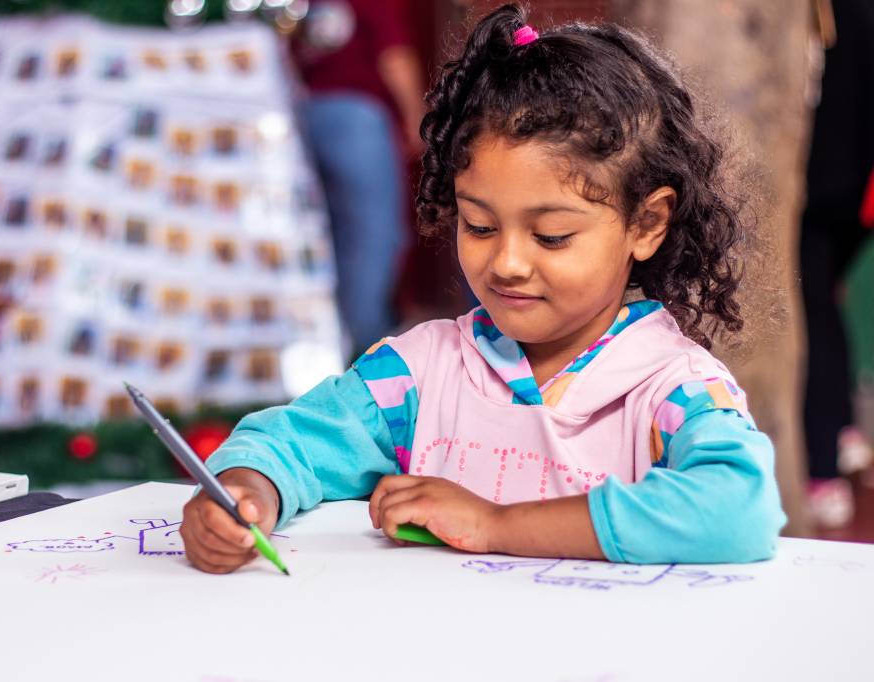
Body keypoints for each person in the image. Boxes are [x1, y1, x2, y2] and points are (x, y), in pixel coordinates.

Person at [180, 4, 786, 573]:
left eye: (550, 236)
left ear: (646, 224)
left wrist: (495, 525)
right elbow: (289, 441)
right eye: (480, 226)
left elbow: (738, 508)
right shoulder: (418, 375)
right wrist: (245, 490)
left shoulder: (669, 388)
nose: (508, 262)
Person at [292, 0, 426, 355]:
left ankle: (334, 340)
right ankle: (365, 346)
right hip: (359, 114)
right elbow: (393, 53)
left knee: (330, 235)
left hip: (304, 113)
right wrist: (416, 116)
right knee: (377, 233)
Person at [800, 0, 874, 529]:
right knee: (825, 300)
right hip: (850, 194)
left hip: (817, 190)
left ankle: (823, 464)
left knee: (814, 311)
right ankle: (844, 427)